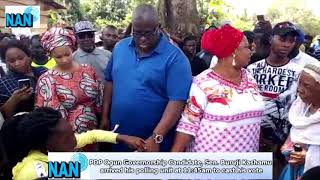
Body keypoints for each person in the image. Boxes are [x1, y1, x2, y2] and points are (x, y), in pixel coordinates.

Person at [102, 4, 192, 152]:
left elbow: (177, 101)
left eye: (148, 33)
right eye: (137, 33)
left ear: (159, 27)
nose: (143, 38)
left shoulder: (176, 59)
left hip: (153, 143)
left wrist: (157, 136)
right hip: (119, 137)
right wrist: (105, 116)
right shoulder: (120, 48)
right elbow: (110, 80)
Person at [171, 24, 264, 152]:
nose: (251, 51)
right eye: (247, 47)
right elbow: (188, 125)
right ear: (233, 51)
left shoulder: (249, 77)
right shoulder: (203, 83)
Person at [0, 107, 146, 180]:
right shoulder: (36, 172)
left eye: (72, 133)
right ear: (46, 145)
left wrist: (122, 137)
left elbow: (92, 135)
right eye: (68, 138)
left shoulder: (60, 146)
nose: (75, 140)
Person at [247, 21, 303, 179]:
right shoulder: (252, 70)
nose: (287, 44)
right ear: (271, 38)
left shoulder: (299, 73)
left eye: (291, 41)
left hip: (284, 144)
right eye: (283, 39)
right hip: (253, 139)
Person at [36, 27, 103, 136]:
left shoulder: (88, 70)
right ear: (51, 55)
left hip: (95, 131)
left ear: (72, 49)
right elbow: (51, 116)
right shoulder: (47, 80)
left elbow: (100, 100)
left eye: (67, 54)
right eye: (58, 57)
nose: (64, 60)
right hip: (67, 137)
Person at [279, 63, 320, 180]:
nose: (300, 89)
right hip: (292, 170)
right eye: (299, 83)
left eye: (306, 85)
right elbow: (294, 137)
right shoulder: (300, 108)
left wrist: (308, 158)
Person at [0, 39, 47, 119]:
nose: (17, 63)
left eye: (21, 58)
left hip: (49, 119)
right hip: (23, 126)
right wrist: (14, 99)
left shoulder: (43, 71)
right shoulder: (4, 83)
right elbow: (3, 115)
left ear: (29, 56)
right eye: (11, 61)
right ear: (6, 63)